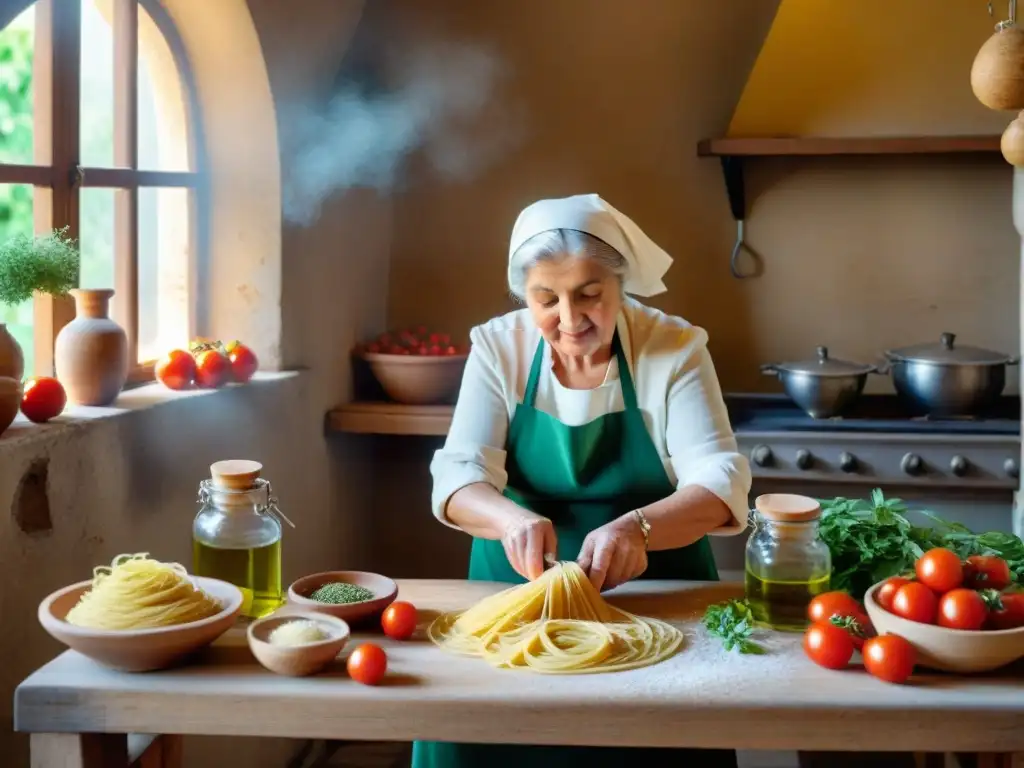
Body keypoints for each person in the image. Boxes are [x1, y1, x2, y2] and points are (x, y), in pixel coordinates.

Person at [411, 193, 752, 768]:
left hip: (653, 598)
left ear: (622, 286)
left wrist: (639, 529)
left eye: (590, 295)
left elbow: (719, 481)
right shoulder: (499, 346)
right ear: (525, 295)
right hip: (517, 601)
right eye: (547, 299)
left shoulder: (674, 348)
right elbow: (458, 474)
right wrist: (510, 519)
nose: (570, 320)